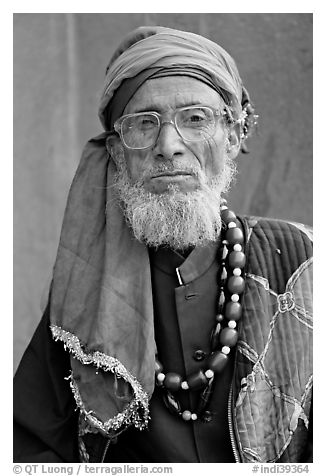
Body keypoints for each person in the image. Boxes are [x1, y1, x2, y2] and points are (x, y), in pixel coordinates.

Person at [13, 25, 313, 463]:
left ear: (231, 138)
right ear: (117, 153)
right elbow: (27, 448)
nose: (168, 146)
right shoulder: (85, 288)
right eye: (144, 125)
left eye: (195, 119)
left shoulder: (306, 262)